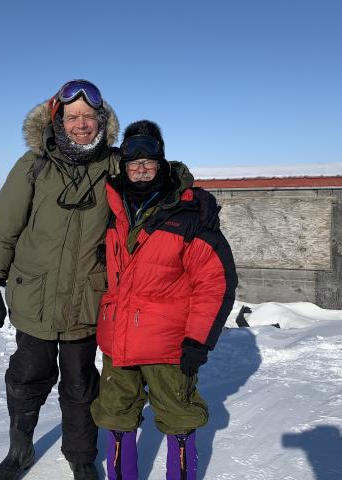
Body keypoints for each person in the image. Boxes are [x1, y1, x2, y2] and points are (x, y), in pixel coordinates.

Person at [0, 81, 218, 480]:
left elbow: (154, 177)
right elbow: (3, 226)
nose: (82, 124)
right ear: (59, 120)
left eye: (89, 116)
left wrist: (193, 196)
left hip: (88, 299)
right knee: (27, 376)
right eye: (73, 117)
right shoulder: (34, 164)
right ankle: (19, 450)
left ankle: (81, 456)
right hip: (34, 295)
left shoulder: (111, 164)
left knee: (81, 384)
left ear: (102, 122)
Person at [90, 120, 237, 480]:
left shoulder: (187, 214)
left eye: (149, 161)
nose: (140, 169)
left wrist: (198, 340)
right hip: (118, 341)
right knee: (116, 416)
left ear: (162, 162)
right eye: (132, 161)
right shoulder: (110, 207)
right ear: (122, 164)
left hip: (168, 346)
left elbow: (214, 281)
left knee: (179, 418)